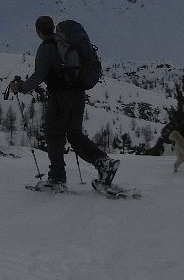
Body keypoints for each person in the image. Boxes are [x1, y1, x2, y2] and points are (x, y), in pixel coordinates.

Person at [9, 15, 119, 189]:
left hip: (60, 96)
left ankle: (57, 178)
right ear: (52, 28)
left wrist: (21, 88)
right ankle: (103, 162)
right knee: (75, 134)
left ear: (38, 31)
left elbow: (39, 75)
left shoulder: (47, 48)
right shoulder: (65, 44)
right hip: (78, 92)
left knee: (54, 134)